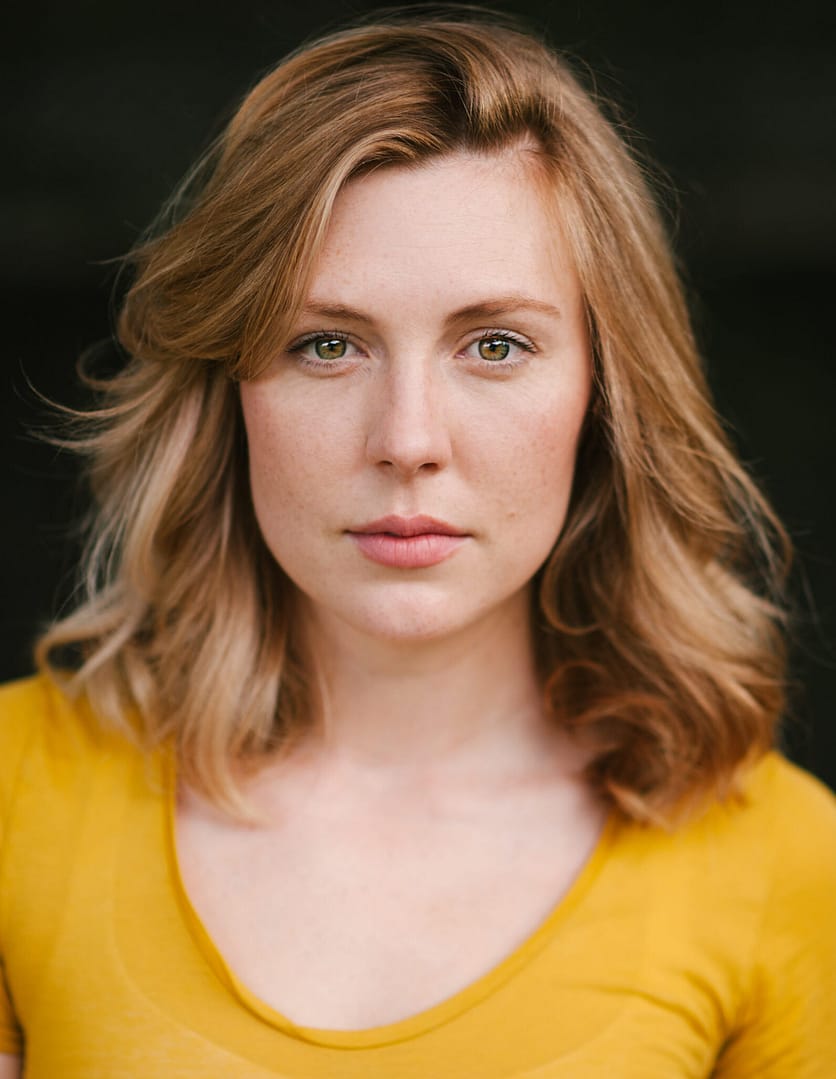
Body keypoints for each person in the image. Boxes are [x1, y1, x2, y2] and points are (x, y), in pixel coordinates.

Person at [1, 10, 834, 1077]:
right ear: (227, 390)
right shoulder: (16, 792)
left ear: (604, 394)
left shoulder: (781, 862)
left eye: (494, 344)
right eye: (326, 344)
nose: (406, 440)